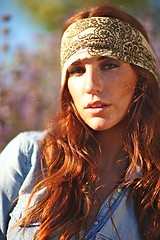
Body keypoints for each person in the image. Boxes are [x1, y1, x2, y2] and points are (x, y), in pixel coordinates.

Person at [0, 2, 160, 240]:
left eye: (109, 65)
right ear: (66, 87)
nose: (92, 86)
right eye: (77, 70)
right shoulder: (28, 155)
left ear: (141, 77)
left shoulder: (154, 185)